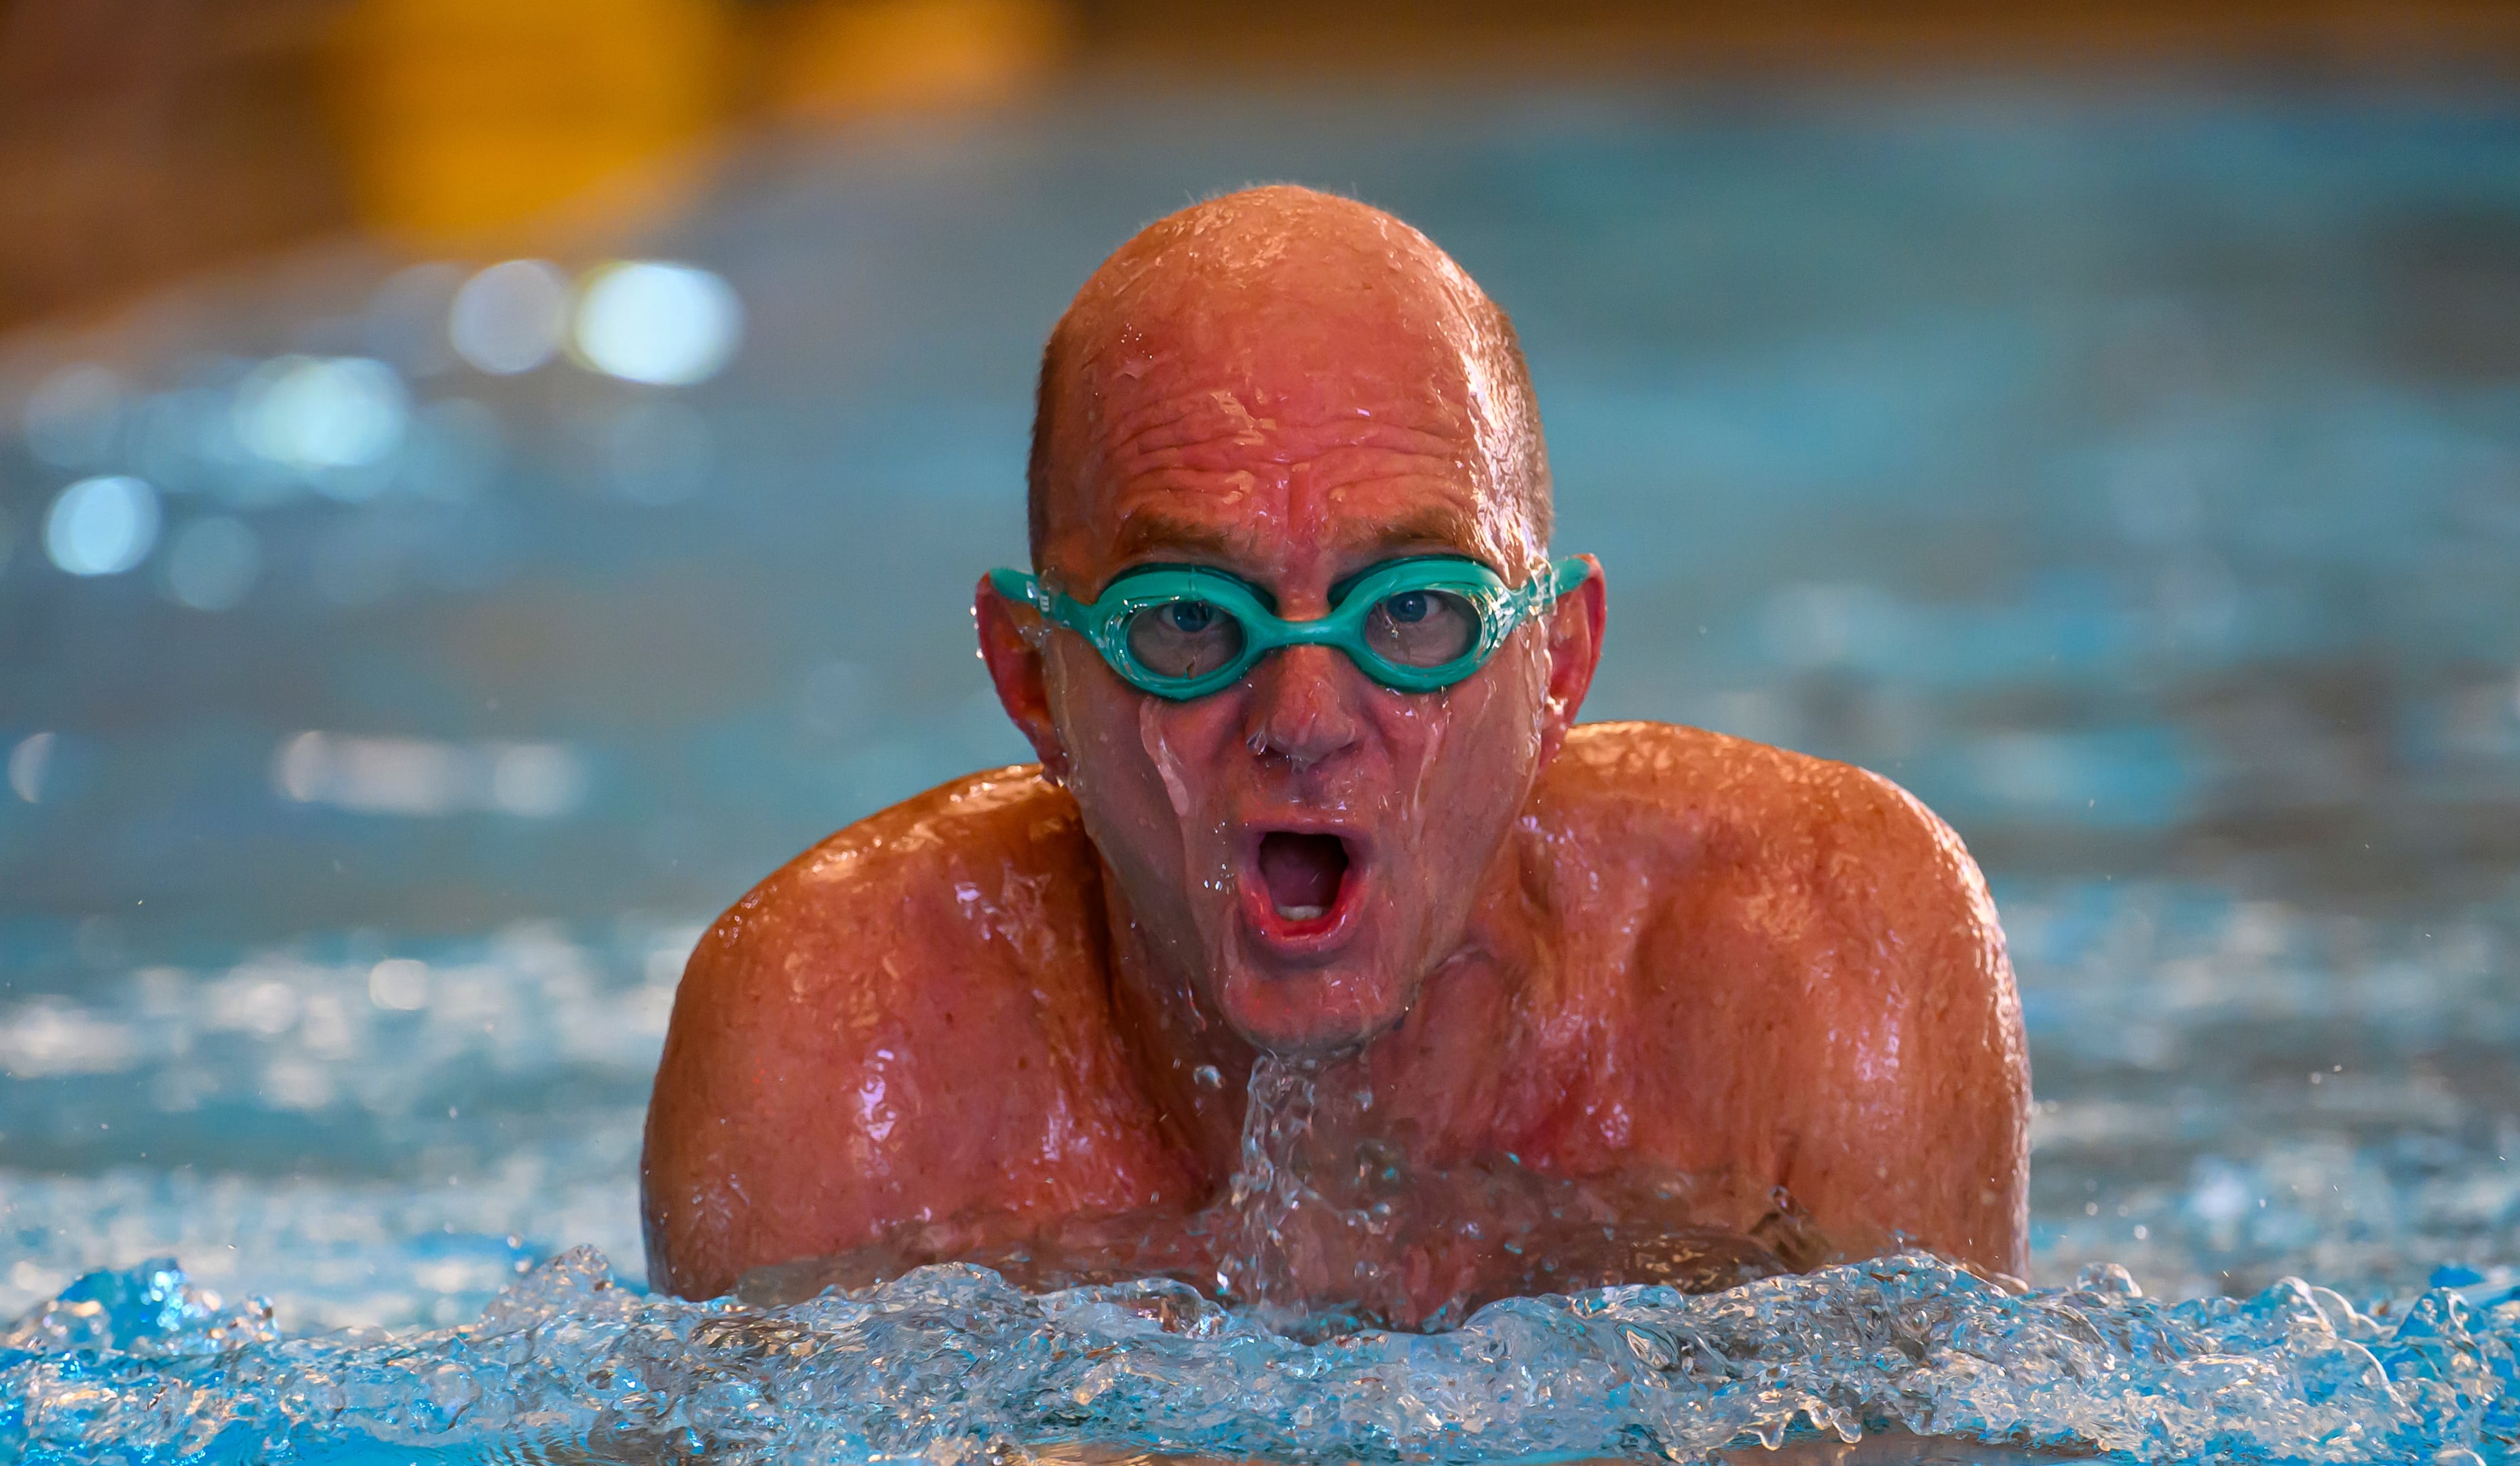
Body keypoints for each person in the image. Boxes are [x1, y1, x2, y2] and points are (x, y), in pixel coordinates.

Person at [640, 185, 2029, 1312]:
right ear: (1034, 682)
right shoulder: (830, 1064)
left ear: (1560, 663)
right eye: (1187, 621)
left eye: (1414, 612)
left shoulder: (1825, 974)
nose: (1303, 721)